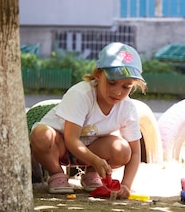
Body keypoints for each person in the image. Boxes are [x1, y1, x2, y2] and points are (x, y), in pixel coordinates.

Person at [30, 42, 147, 197]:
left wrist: (126, 185)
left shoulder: (127, 107)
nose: (118, 92)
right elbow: (71, 139)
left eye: (126, 87)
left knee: (124, 150)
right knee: (40, 134)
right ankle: (56, 173)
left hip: (91, 148)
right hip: (61, 145)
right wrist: (96, 160)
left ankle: (91, 175)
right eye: (112, 83)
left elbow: (135, 154)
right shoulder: (81, 94)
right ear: (98, 74)